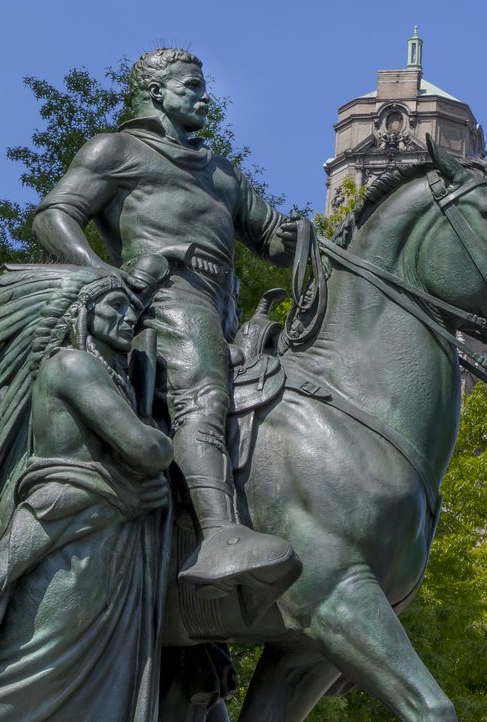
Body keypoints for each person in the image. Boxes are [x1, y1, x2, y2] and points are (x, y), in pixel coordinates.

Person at [30, 48, 300, 597]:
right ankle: (220, 532)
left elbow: (271, 239)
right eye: (193, 87)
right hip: (164, 294)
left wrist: (306, 238)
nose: (205, 97)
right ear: (158, 93)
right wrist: (103, 275)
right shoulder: (116, 149)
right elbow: (54, 215)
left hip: (224, 302)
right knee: (202, 392)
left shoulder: (222, 172)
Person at [0, 266, 173, 722]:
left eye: (133, 309)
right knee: (29, 671)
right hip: (68, 530)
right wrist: (168, 436)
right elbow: (146, 450)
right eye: (116, 305)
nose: (128, 317)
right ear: (82, 310)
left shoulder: (113, 378)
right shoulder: (72, 365)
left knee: (95, 687)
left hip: (106, 532)